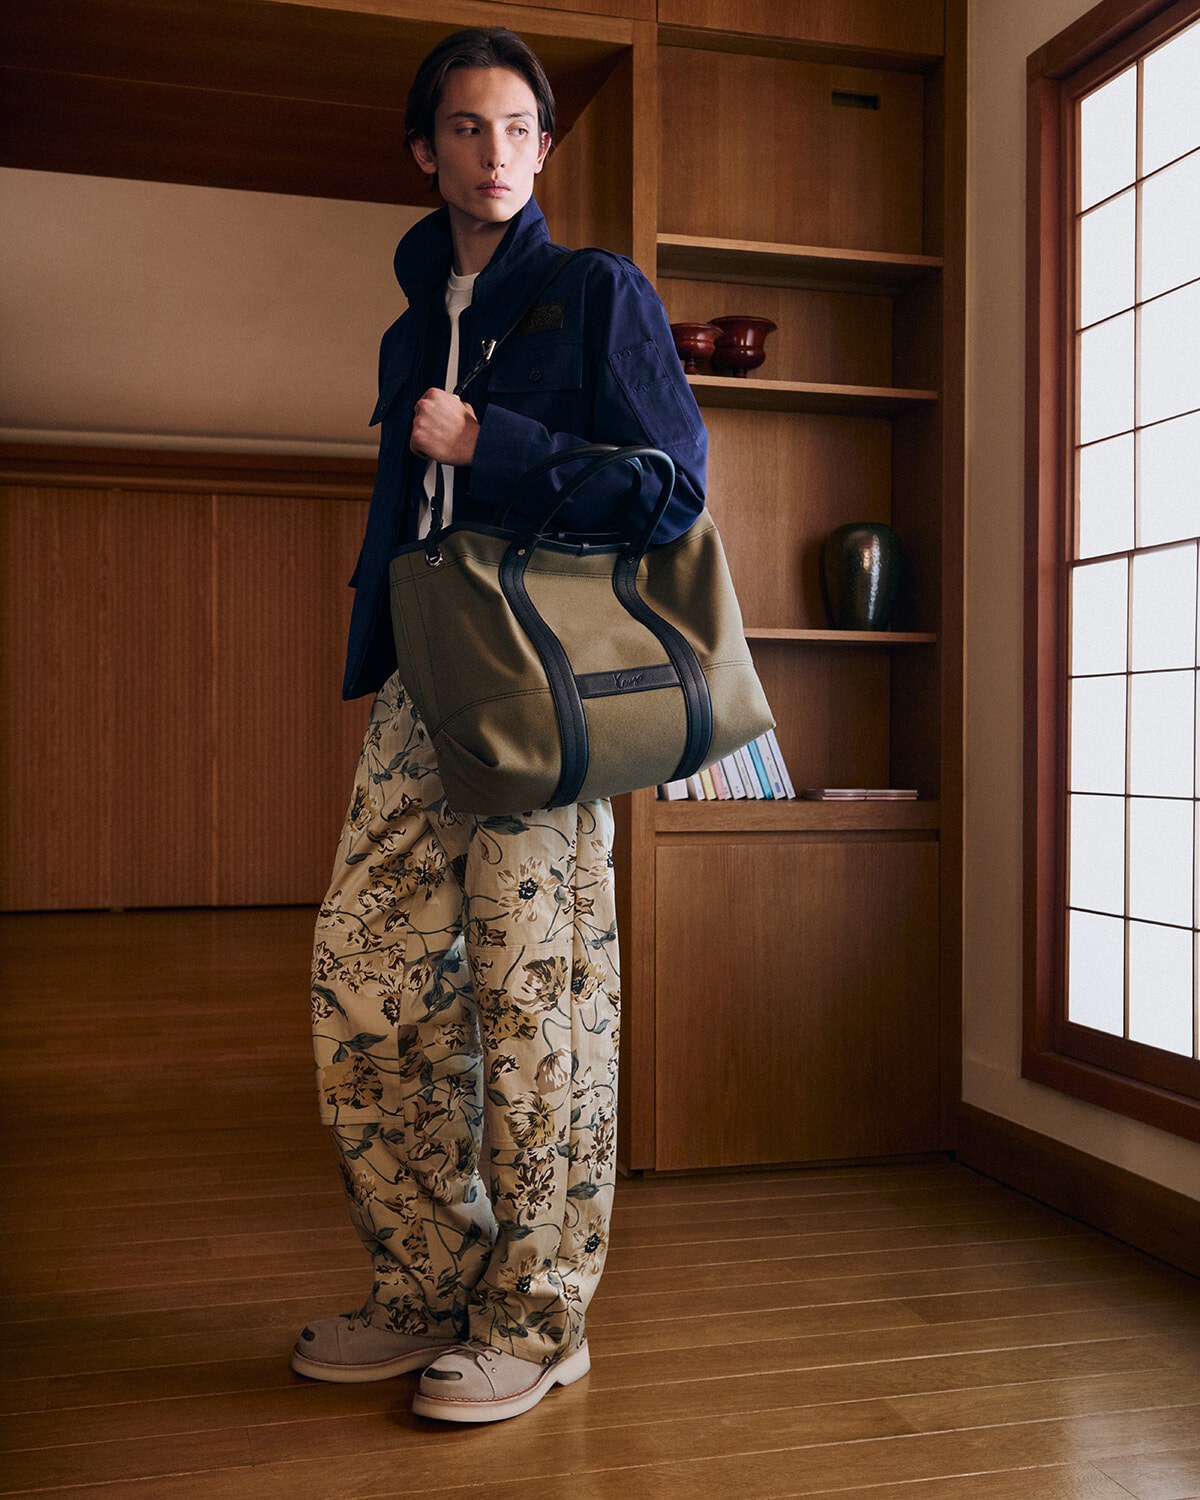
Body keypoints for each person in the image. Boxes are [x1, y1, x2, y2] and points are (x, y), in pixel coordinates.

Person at [292, 25, 707, 1424]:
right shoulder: (415, 318)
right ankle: (426, 1289)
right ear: (426, 150)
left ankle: (537, 1321)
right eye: (467, 128)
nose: (496, 150)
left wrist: (496, 449)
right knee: (368, 981)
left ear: (544, 146)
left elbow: (672, 494)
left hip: (541, 692)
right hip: (423, 689)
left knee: (539, 1013)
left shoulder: (595, 296)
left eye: (520, 126)